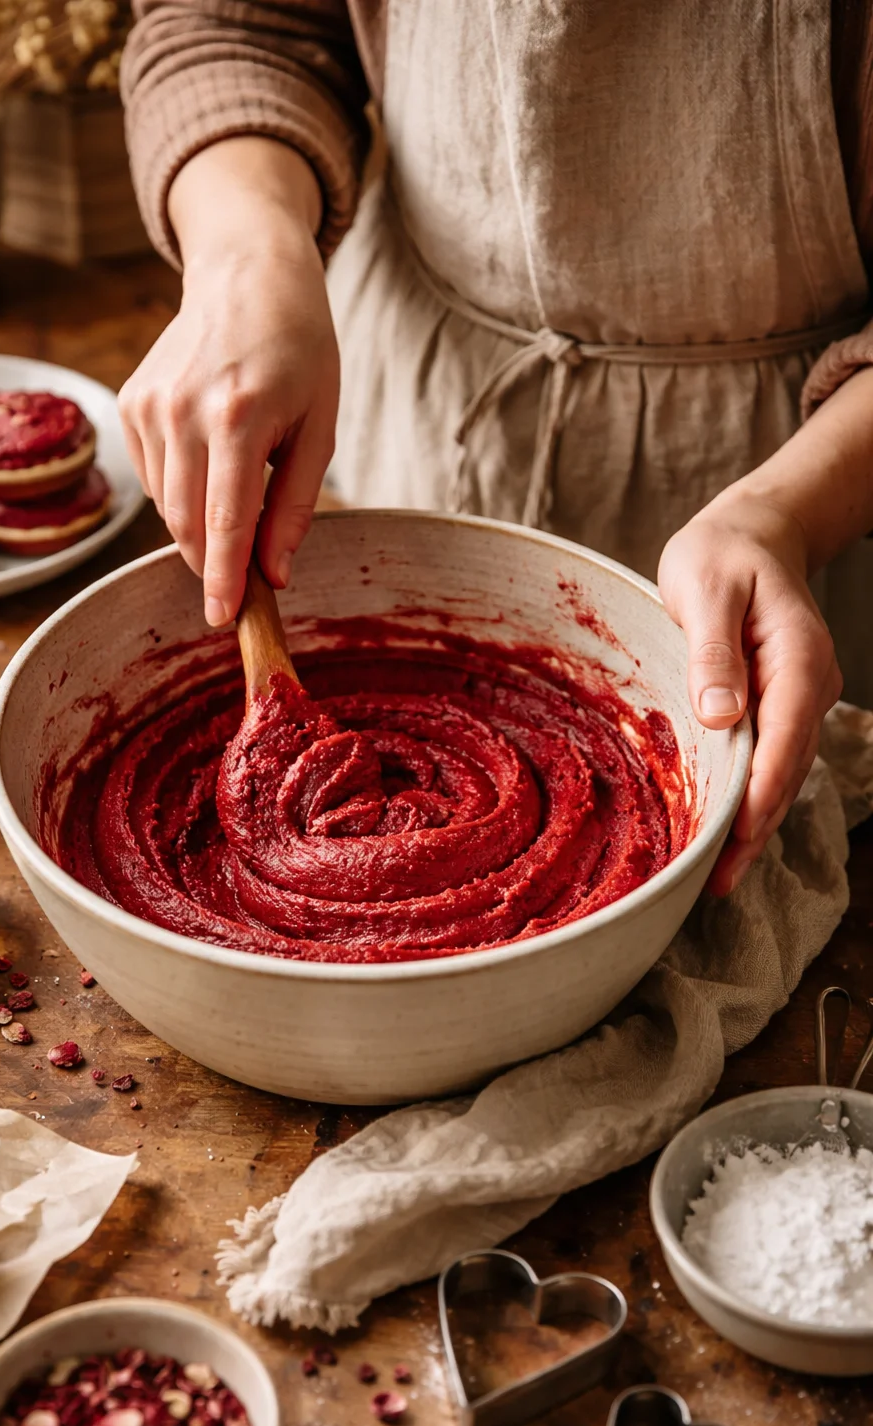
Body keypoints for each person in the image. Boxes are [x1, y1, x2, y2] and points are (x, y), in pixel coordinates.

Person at [117, 1, 873, 895]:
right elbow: (242, 24)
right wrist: (247, 255)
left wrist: (783, 513)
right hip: (409, 397)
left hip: (809, 460)